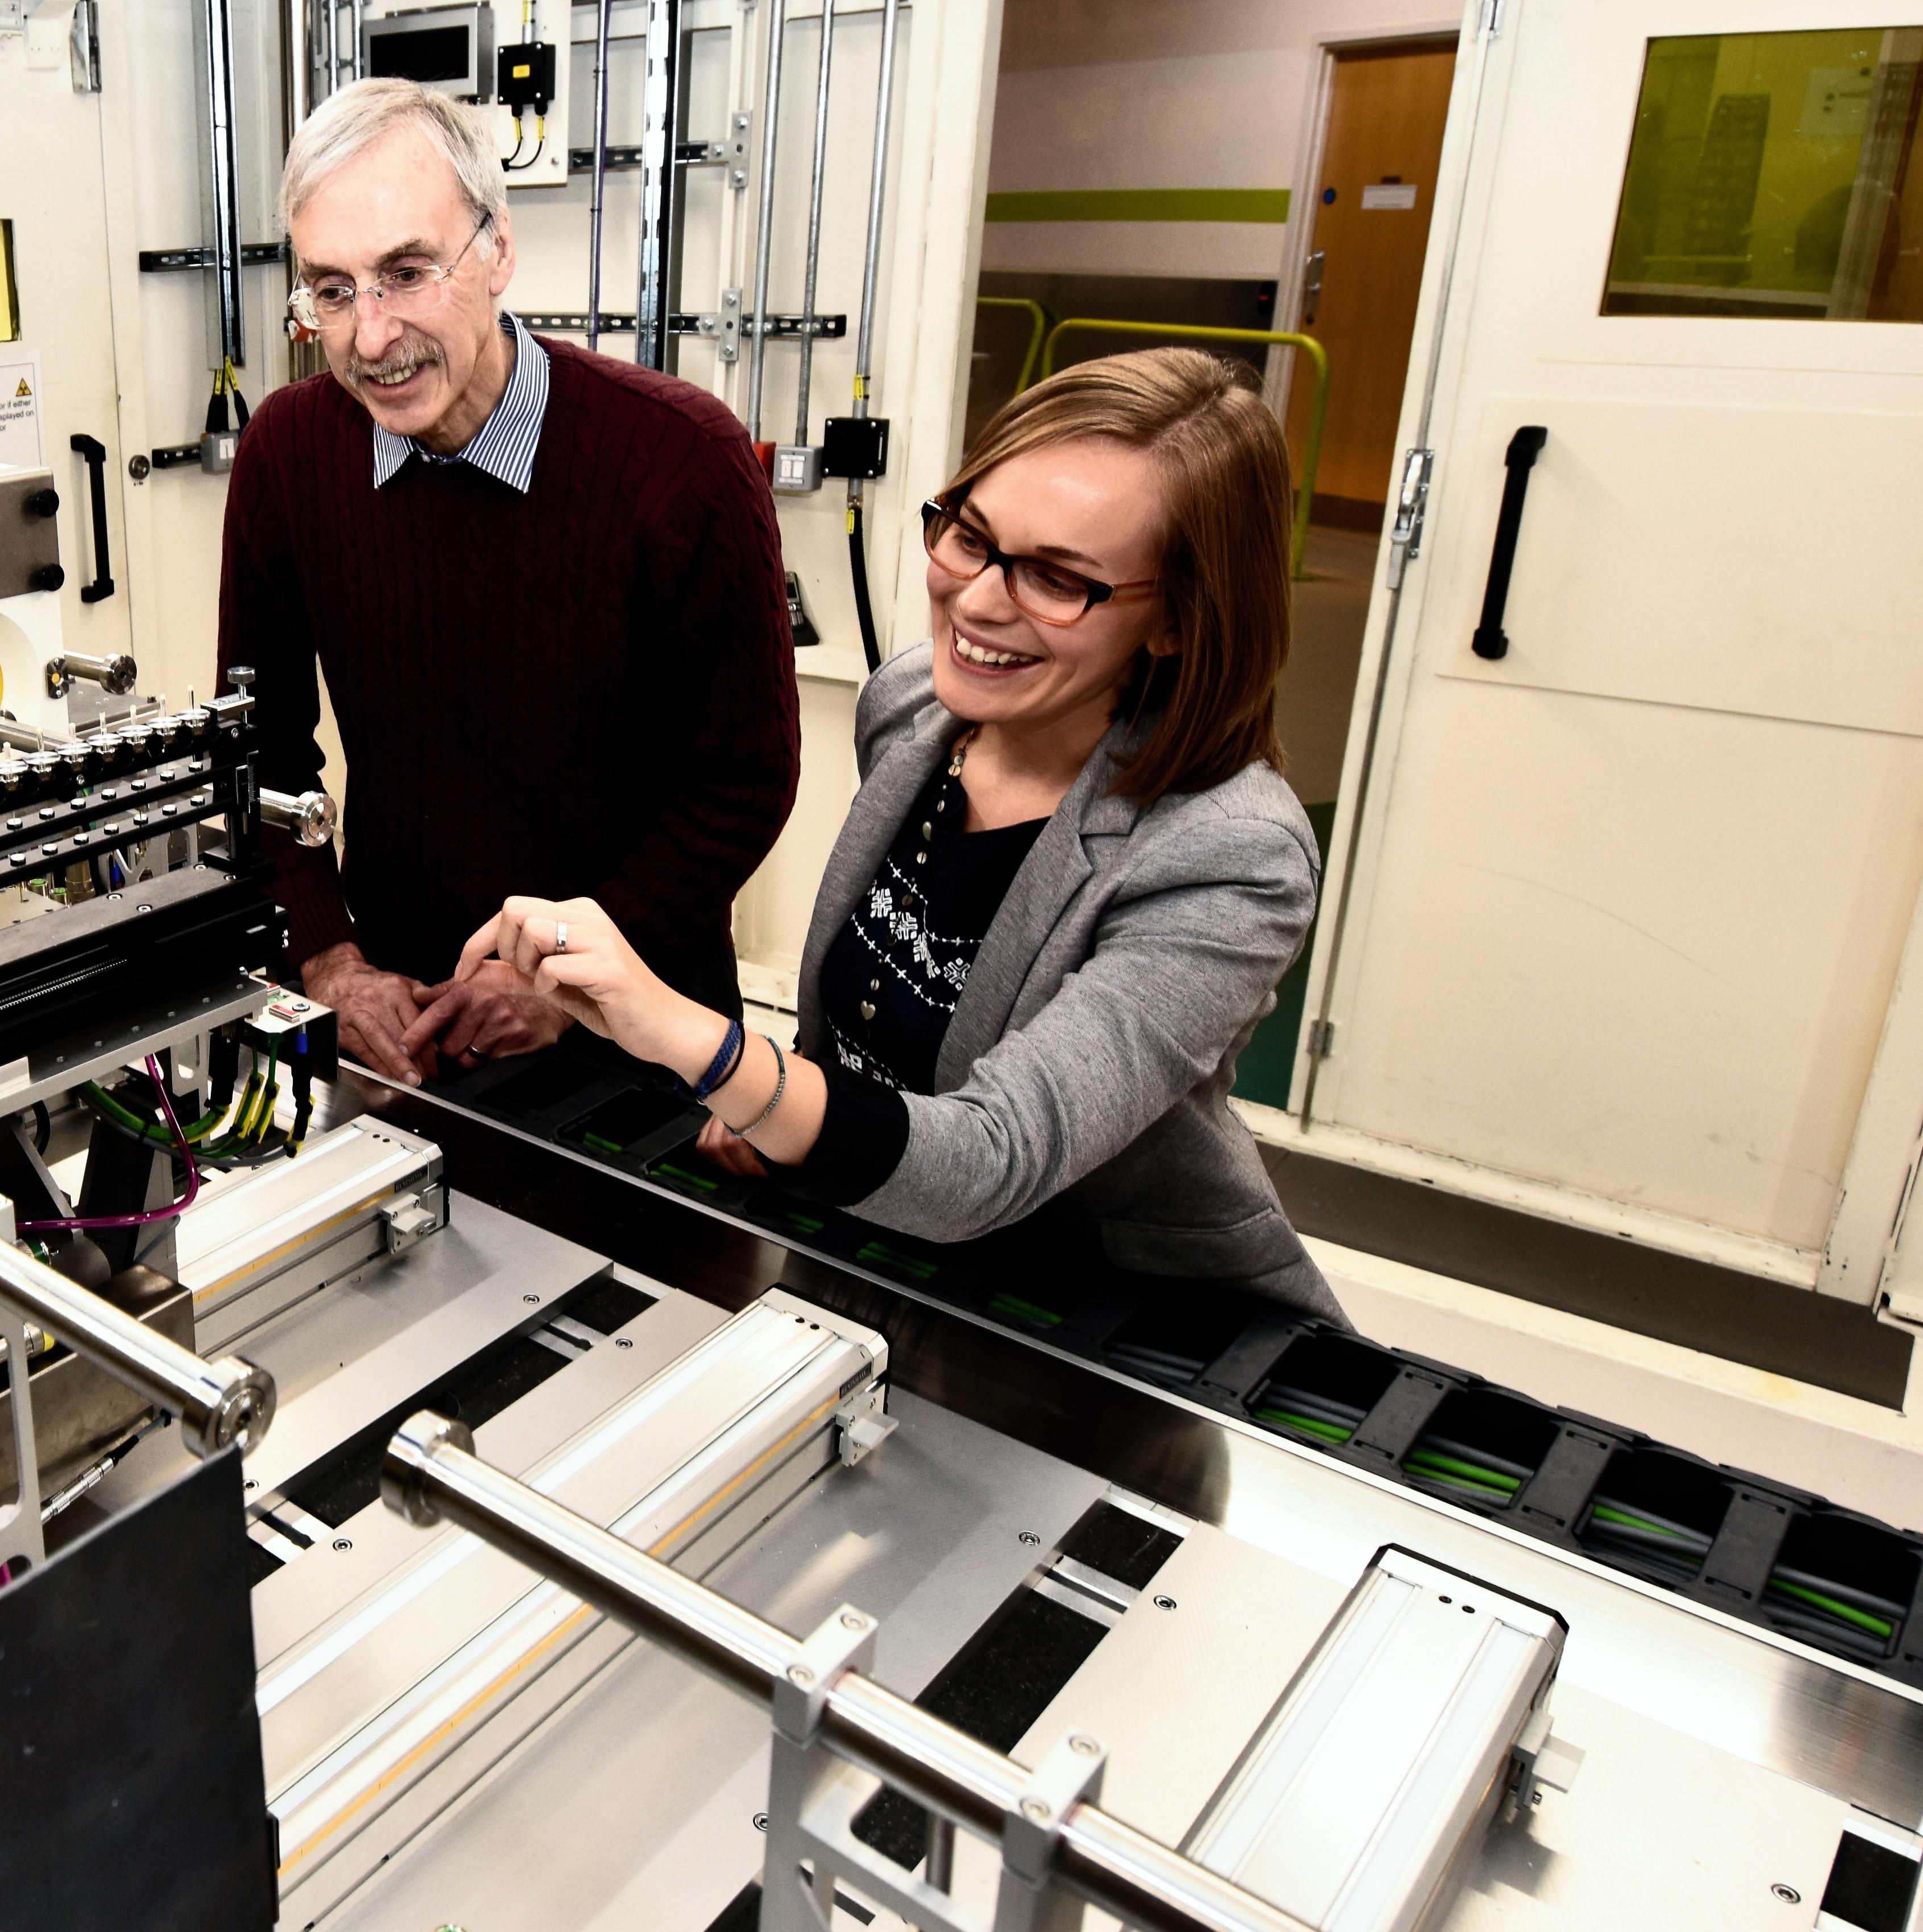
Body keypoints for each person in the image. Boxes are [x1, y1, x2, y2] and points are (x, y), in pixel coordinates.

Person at [450, 347, 1342, 1317]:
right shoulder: (914, 705)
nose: (978, 599)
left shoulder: (1229, 856)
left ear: (1177, 619)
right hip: (891, 1256)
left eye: (1057, 578)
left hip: (1119, 1320)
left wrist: (694, 1043)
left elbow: (990, 1160)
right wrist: (787, 1107)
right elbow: (880, 1023)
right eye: (970, 535)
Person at [217, 78, 799, 1082]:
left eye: (406, 271)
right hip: (397, 1024)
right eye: (333, 289)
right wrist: (328, 957)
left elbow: (740, 785)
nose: (371, 336)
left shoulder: (682, 462)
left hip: (639, 1033)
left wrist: (567, 984)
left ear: (497, 251)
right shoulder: (290, 452)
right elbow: (258, 746)